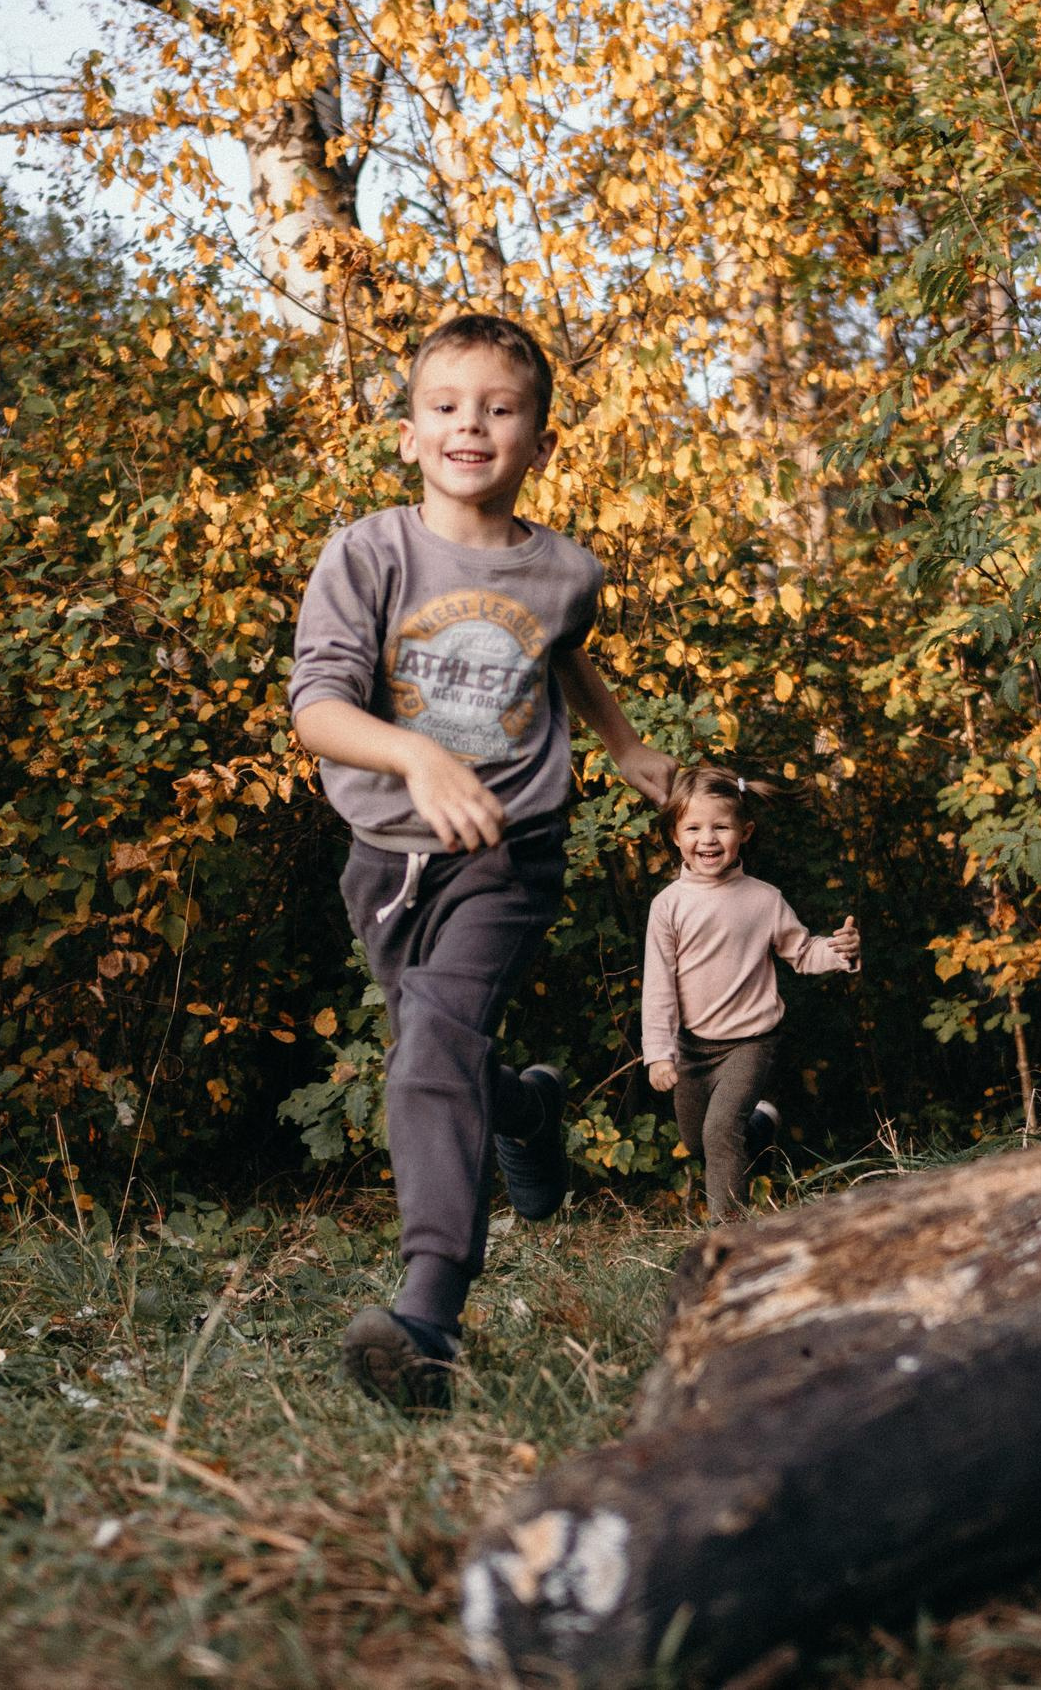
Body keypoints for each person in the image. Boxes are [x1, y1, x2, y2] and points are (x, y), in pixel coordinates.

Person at [287, 313, 676, 1410]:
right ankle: (524, 1111)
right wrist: (413, 756)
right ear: (408, 433)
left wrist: (628, 749)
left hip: (512, 851)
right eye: (446, 406)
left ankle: (428, 1315)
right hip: (385, 856)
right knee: (440, 1055)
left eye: (500, 410)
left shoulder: (565, 570)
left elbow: (565, 657)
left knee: (428, 1055)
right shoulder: (370, 553)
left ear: (539, 441)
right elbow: (316, 710)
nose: (472, 425)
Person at [642, 766, 859, 1220]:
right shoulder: (668, 906)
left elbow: (801, 952)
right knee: (696, 1140)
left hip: (751, 1042)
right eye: (694, 828)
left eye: (721, 826)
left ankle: (730, 1237)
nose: (708, 839)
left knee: (721, 1131)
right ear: (675, 835)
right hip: (691, 1047)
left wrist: (838, 952)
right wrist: (658, 1052)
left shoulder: (763, 899)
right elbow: (659, 985)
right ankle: (759, 1125)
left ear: (745, 831)